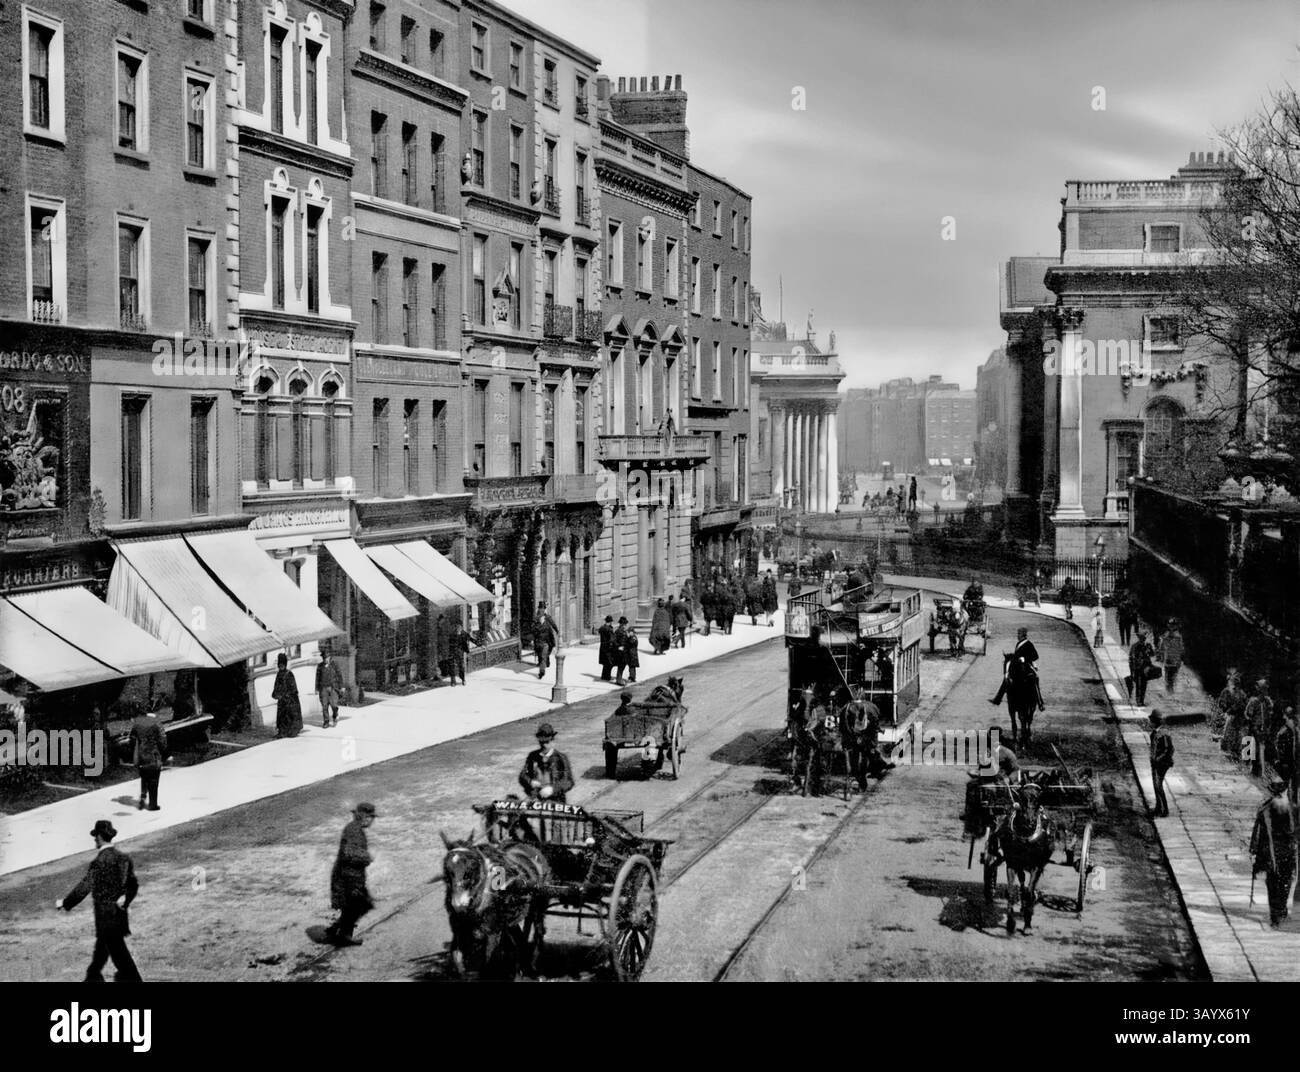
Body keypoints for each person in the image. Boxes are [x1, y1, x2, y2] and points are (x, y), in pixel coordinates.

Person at [57, 820, 142, 982]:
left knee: (119, 955)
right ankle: (92, 977)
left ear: (101, 837)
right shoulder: (124, 858)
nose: (95, 839)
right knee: (103, 951)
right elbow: (133, 885)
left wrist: (65, 903)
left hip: (105, 917)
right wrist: (126, 900)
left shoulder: (99, 862)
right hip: (119, 915)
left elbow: (84, 886)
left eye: (96, 836)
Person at [326, 803, 377, 946]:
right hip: (348, 877)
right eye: (371, 817)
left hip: (350, 876)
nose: (372, 820)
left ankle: (336, 928)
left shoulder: (354, 829)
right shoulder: (354, 831)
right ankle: (344, 936)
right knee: (359, 905)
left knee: (355, 905)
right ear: (365, 817)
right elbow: (349, 853)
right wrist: (367, 857)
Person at [1251, 779, 1297, 927]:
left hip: (1269, 852)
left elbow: (1257, 833)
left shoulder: (1264, 808)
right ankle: (1280, 909)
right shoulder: (1292, 809)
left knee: (1273, 882)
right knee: (1284, 881)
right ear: (1284, 791)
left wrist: (1254, 851)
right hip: (1286, 851)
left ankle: (1276, 913)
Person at [518, 723, 575, 803]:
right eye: (542, 742)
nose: (544, 745)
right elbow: (522, 776)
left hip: (556, 800)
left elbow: (569, 782)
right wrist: (530, 782)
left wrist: (552, 789)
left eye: (547, 742)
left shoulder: (561, 758)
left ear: (552, 740)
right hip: (535, 798)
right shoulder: (532, 756)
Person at [989, 627, 1040, 707]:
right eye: (1018, 634)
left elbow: (1035, 656)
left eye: (1019, 634)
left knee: (1035, 679)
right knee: (1006, 679)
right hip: (1017, 667)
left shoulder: (1029, 644)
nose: (1017, 636)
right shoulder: (1018, 644)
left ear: (1023, 635)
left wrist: (1025, 658)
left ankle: (1040, 702)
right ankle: (998, 699)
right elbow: (1017, 655)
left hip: (1026, 666)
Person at [129, 708, 168, 811]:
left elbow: (132, 740)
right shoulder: (156, 723)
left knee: (144, 777)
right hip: (154, 756)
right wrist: (164, 753)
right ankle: (153, 804)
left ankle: (143, 796)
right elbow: (162, 741)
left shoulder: (137, 724)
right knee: (154, 781)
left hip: (141, 756)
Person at [1246, 679, 1274, 778]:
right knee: (1253, 748)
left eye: (1265, 691)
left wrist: (1267, 727)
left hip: (1264, 729)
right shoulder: (1253, 701)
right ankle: (1254, 769)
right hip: (1255, 729)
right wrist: (1254, 726)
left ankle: (1262, 770)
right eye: (1262, 691)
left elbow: (1270, 715)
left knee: (1263, 749)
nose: (1264, 693)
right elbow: (1248, 715)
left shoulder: (1267, 701)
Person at [1149, 710, 1174, 818]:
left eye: (1151, 721)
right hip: (1155, 763)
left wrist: (1158, 759)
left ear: (1155, 721)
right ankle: (1158, 808)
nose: (1150, 722)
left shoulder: (1163, 734)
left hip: (1162, 763)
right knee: (1155, 785)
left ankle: (1165, 809)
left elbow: (1168, 749)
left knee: (1158, 785)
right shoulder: (1155, 732)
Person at [272, 652, 303, 738]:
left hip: (290, 699)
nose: (281, 666)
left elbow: (293, 688)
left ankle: (292, 731)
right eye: (279, 664)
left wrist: (287, 695)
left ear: (285, 664)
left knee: (291, 715)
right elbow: (276, 686)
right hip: (282, 699)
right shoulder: (278, 674)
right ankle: (282, 731)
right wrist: (275, 694)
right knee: (281, 715)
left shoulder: (289, 674)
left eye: (282, 664)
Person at [1218, 668, 1247, 755]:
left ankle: (1233, 751)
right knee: (1229, 732)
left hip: (1238, 716)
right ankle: (1227, 749)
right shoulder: (1227, 691)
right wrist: (1227, 710)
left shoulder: (1241, 693)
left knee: (1235, 734)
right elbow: (1221, 703)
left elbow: (1245, 704)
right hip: (1232, 715)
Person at [1128, 630, 1155, 707]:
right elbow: (1131, 659)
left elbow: (1152, 654)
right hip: (1137, 668)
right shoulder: (1135, 646)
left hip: (1145, 668)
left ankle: (1141, 701)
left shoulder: (1147, 645)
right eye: (1141, 637)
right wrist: (1132, 670)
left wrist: (1149, 648)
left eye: (1144, 637)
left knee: (1144, 685)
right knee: (1138, 685)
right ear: (1139, 638)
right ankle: (1138, 701)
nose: (1143, 639)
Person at [316, 651, 343, 727]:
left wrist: (341, 686)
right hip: (323, 688)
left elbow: (339, 675)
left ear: (329, 657)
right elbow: (317, 678)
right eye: (324, 658)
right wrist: (316, 689)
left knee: (334, 705)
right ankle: (326, 722)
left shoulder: (334, 665)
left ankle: (335, 715)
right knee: (324, 706)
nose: (325, 659)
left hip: (333, 688)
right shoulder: (320, 666)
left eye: (326, 658)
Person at [533, 602, 559, 680]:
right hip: (541, 642)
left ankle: (542, 670)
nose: (541, 610)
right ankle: (543, 666)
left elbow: (553, 625)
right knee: (542, 656)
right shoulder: (539, 618)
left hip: (543, 642)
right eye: (541, 609)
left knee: (543, 656)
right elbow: (533, 630)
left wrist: (557, 631)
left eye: (542, 609)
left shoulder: (545, 618)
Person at [1158, 619, 1184, 696]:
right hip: (1170, 658)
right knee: (1169, 675)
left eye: (1173, 625)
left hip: (1174, 659)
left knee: (1171, 675)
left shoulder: (1176, 636)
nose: (1171, 626)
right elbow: (1162, 647)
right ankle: (1169, 689)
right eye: (1170, 625)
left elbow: (1181, 648)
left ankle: (1170, 689)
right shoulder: (1169, 635)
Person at [1274, 707, 1297, 791]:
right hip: (1292, 758)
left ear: (1285, 716)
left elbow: (1279, 745)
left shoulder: (1284, 729)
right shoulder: (1295, 726)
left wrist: (1279, 758)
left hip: (1286, 759)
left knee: (1286, 778)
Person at [448, 619, 473, 685]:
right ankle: (453, 681)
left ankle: (463, 679)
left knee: (461, 666)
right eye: (457, 626)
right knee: (452, 666)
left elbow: (470, 639)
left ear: (461, 627)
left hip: (460, 652)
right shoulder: (452, 634)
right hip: (453, 652)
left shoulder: (464, 633)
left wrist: (479, 644)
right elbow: (449, 643)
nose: (458, 627)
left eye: (459, 626)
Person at [612, 616, 631, 685]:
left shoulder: (624, 631)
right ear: (622, 624)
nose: (625, 625)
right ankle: (618, 680)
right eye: (624, 624)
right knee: (621, 665)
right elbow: (613, 640)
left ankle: (619, 678)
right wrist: (618, 647)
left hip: (625, 650)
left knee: (623, 665)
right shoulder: (618, 631)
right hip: (620, 651)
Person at [598, 615, 616, 680]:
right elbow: (612, 638)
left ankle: (603, 676)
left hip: (602, 646)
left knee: (605, 663)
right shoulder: (609, 629)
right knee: (609, 663)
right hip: (608, 647)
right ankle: (607, 677)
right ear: (610, 622)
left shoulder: (602, 628)